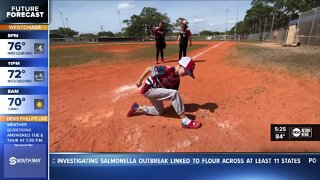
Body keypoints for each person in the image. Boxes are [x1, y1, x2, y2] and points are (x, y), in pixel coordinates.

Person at [127, 56, 202, 129]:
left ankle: (137, 108)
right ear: (180, 66)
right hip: (148, 89)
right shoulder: (167, 69)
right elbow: (149, 69)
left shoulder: (177, 80)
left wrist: (176, 105)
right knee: (174, 94)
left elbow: (172, 95)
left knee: (160, 111)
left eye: (187, 74)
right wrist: (140, 80)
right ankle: (185, 121)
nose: (185, 74)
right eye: (186, 71)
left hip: (155, 91)